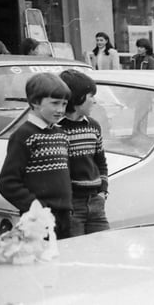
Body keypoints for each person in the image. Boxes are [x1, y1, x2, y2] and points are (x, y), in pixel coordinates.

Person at [0, 73, 72, 239]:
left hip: (64, 216)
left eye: (64, 104)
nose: (60, 110)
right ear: (35, 103)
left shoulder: (60, 134)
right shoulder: (24, 135)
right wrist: (37, 208)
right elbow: (7, 182)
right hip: (38, 221)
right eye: (54, 103)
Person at [58, 69, 110, 237]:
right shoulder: (57, 130)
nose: (94, 101)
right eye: (90, 96)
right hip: (73, 206)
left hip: (95, 201)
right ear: (77, 99)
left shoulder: (93, 126)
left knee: (105, 248)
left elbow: (100, 161)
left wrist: (102, 191)